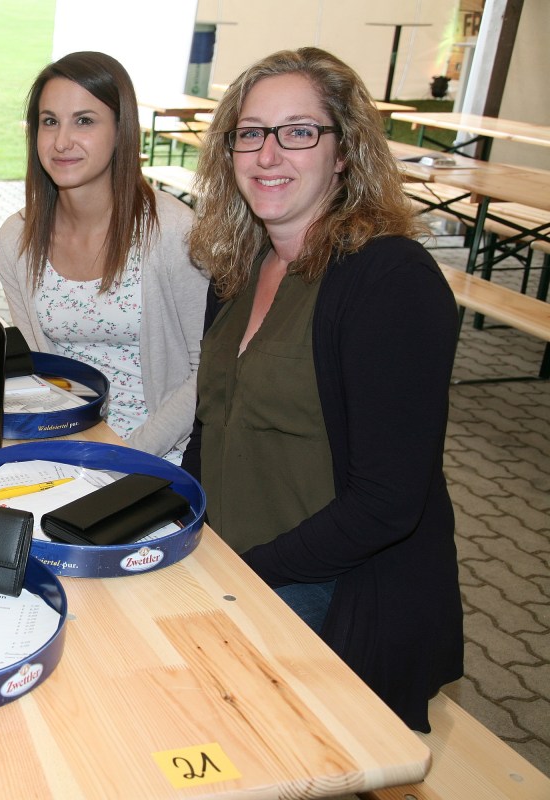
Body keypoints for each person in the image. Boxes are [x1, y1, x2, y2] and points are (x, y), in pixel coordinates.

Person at [182, 47, 462, 731]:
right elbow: (212, 426)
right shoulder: (242, 264)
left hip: (331, 586)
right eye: (251, 132)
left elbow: (387, 504)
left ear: (344, 152)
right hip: (231, 558)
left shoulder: (390, 281)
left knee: (186, 710)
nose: (268, 154)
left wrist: (242, 575)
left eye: (299, 132)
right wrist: (178, 526)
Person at [0, 51, 208, 461]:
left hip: (158, 454)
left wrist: (127, 453)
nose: (62, 141)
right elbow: (41, 366)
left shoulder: (173, 232)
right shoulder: (17, 241)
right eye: (50, 121)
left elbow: (208, 371)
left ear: (121, 130)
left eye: (84, 121)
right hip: (63, 445)